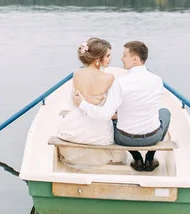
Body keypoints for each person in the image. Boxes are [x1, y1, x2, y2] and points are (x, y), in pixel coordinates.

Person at [73, 41, 170, 172]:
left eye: (124, 55)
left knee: (113, 119)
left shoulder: (120, 82)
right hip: (152, 138)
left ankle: (136, 158)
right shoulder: (158, 80)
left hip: (125, 139)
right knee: (165, 112)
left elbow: (105, 115)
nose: (121, 58)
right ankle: (150, 158)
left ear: (135, 59)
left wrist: (83, 104)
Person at [56, 38, 129, 168]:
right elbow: (109, 111)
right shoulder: (109, 78)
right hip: (98, 132)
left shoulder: (77, 73)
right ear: (97, 58)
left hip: (75, 126)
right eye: (108, 56)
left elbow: (75, 102)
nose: (110, 59)